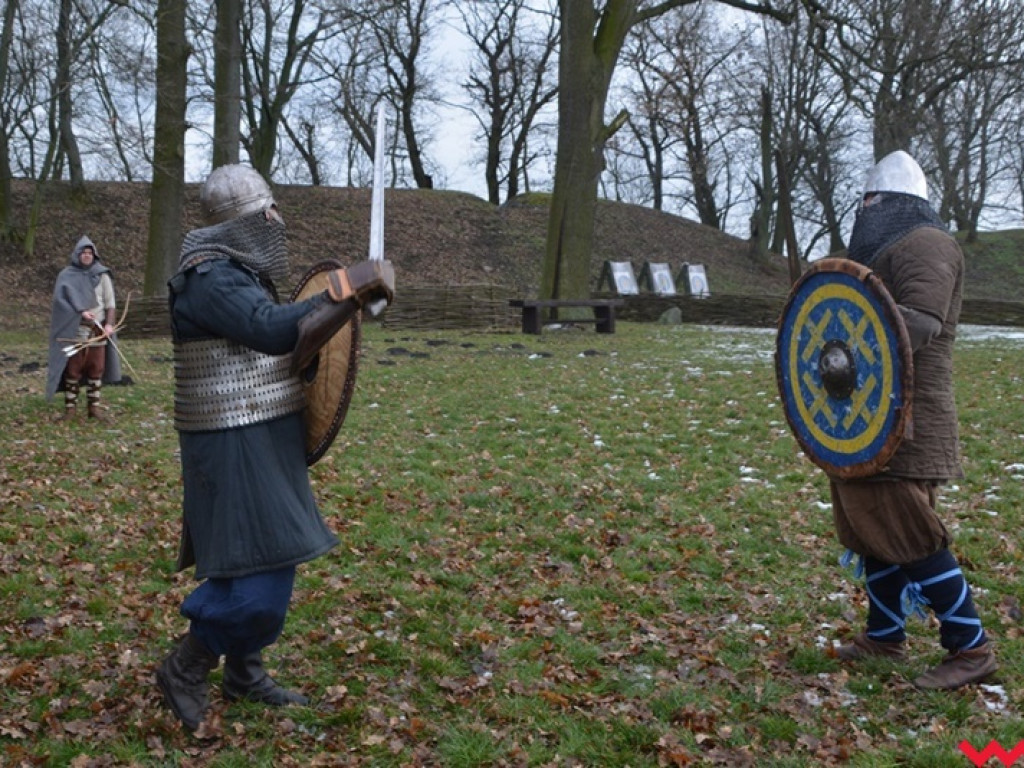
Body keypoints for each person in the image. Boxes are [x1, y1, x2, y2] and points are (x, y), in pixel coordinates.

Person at [156, 164, 394, 732]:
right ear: (247, 220)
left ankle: (244, 673)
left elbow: (296, 338)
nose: (278, 222)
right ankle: (186, 665)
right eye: (270, 213)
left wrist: (352, 300)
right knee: (257, 574)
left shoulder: (236, 271)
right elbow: (271, 330)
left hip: (259, 434)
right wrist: (348, 285)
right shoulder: (209, 277)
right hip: (229, 441)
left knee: (260, 552)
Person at [830, 150, 997, 689]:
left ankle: (970, 646)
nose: (865, 209)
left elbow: (918, 324)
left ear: (892, 202)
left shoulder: (927, 243)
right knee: (869, 527)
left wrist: (843, 337)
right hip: (869, 414)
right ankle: (885, 636)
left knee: (911, 531)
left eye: (871, 201)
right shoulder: (888, 248)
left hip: (909, 415)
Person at [46, 236, 121, 422]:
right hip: (74, 329)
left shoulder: (102, 275)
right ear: (77, 255)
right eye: (84, 253)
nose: (87, 256)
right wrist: (80, 312)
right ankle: (70, 410)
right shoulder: (66, 276)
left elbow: (110, 304)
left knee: (96, 369)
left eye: (90, 253)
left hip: (97, 331)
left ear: (94, 255)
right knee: (73, 369)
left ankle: (93, 408)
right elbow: (60, 302)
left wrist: (109, 324)